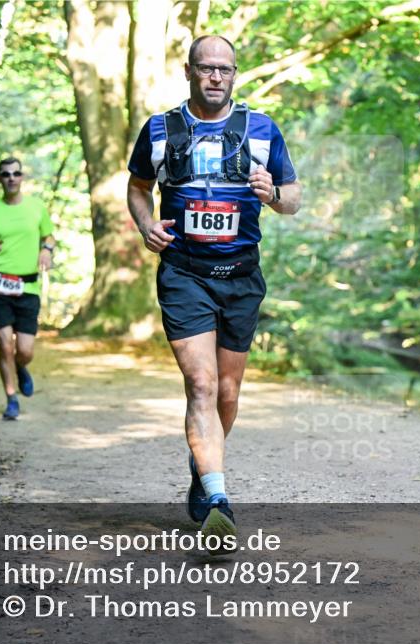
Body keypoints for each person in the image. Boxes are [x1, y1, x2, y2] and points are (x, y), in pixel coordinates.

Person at [127, 35, 301, 549]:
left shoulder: (262, 129)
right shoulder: (160, 130)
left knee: (226, 393)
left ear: (235, 74)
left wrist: (274, 195)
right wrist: (146, 225)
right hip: (185, 274)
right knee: (201, 385)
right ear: (189, 72)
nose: (216, 77)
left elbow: (293, 197)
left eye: (225, 69)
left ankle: (203, 465)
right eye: (206, 68)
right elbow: (138, 188)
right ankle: (219, 500)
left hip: (242, 277)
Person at [0, 157, 56, 420]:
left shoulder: (36, 208)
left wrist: (47, 250)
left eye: (16, 173)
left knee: (25, 351)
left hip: (28, 287)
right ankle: (11, 399)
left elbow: (49, 236)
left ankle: (21, 367)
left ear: (22, 177)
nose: (11, 178)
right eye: (6, 174)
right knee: (5, 345)